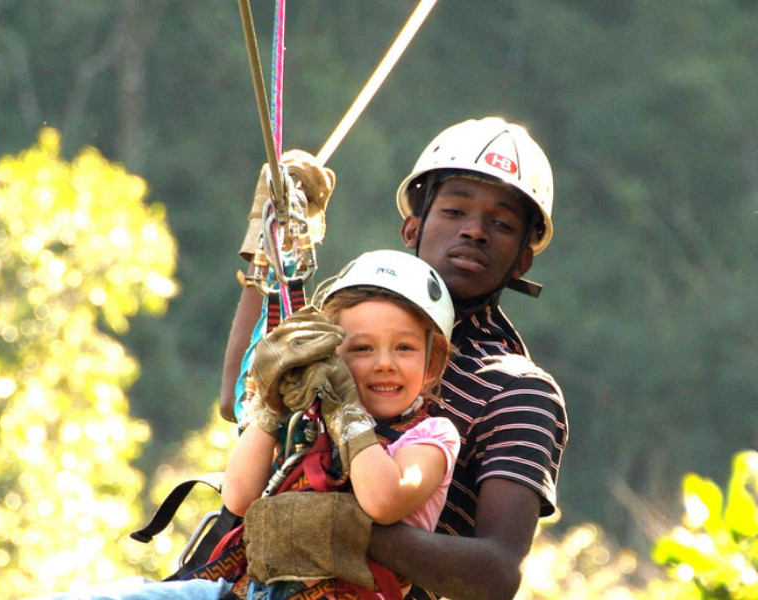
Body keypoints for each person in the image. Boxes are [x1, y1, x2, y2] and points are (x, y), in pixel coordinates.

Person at [221, 116, 569, 600]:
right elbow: (240, 399)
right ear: (412, 227)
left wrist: (346, 527)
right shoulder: (350, 328)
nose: (475, 232)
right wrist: (271, 249)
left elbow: (496, 573)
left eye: (502, 224)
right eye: (453, 211)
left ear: (522, 259)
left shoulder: (518, 391)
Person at [223, 249, 460, 599]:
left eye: (405, 348)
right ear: (331, 354)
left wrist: (345, 410)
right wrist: (273, 404)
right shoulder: (307, 423)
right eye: (363, 348)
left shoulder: (431, 438)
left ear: (432, 362)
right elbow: (239, 498)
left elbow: (382, 501)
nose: (384, 363)